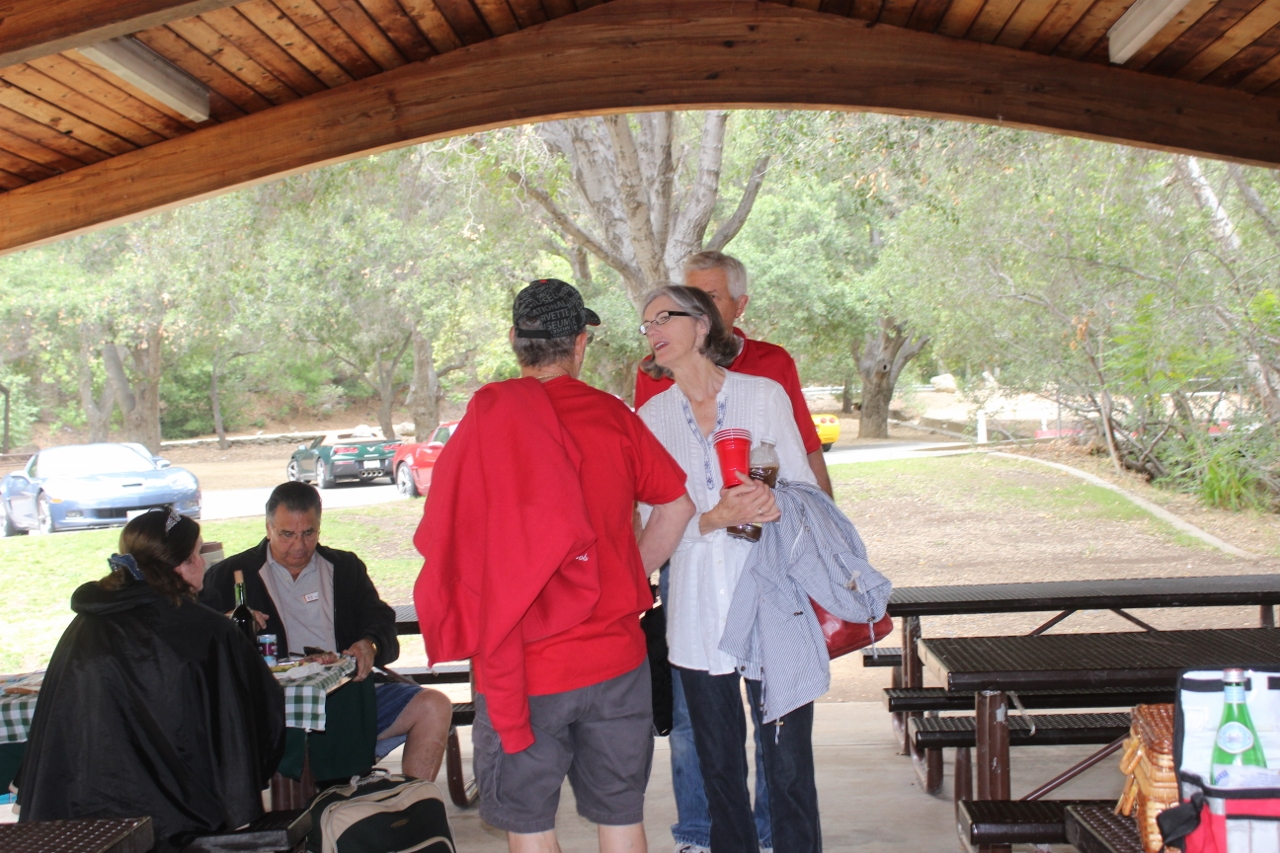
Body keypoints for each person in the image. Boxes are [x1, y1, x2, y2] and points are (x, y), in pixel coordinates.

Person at [415, 278, 695, 853]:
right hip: (615, 661)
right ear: (580, 343)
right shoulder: (614, 419)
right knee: (620, 818)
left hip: (523, 664)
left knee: (531, 828)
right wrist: (628, 573)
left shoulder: (483, 425)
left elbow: (452, 539)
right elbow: (677, 505)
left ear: (516, 340)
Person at [637, 285, 822, 853]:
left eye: (663, 317)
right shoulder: (648, 417)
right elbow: (648, 531)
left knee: (788, 763)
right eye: (645, 325)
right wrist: (712, 518)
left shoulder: (763, 395)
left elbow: (807, 492)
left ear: (701, 324)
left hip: (772, 599)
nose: (653, 331)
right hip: (696, 612)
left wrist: (773, 504)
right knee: (718, 765)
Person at [17, 507, 285, 853]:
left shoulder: (84, 627)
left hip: (80, 827)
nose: (204, 563)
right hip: (181, 825)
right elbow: (260, 718)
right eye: (196, 555)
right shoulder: (207, 632)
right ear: (179, 566)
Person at [200, 481, 453, 781]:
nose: (299, 546)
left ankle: (411, 804)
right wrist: (228, 625)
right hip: (275, 712)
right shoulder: (231, 576)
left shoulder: (343, 568)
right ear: (268, 528)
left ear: (319, 527)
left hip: (348, 698)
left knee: (435, 706)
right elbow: (198, 642)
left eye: (309, 533)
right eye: (287, 534)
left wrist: (369, 646)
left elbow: (381, 620)